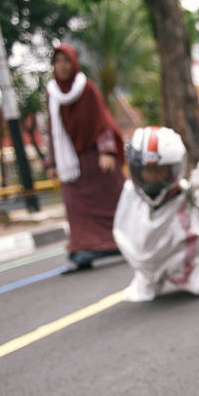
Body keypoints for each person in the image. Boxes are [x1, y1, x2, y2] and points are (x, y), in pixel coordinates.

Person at [112, 126, 199, 301]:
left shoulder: (189, 196)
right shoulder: (131, 194)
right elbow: (125, 230)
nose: (153, 178)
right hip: (146, 271)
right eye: (148, 172)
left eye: (159, 171)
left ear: (174, 169)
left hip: (185, 267)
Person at [45, 44, 126, 274]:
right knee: (76, 209)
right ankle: (82, 253)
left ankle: (128, 242)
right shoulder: (53, 95)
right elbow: (52, 131)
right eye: (57, 62)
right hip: (71, 165)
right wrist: (51, 163)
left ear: (74, 63)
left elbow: (102, 121)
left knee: (117, 204)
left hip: (96, 160)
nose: (62, 66)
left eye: (66, 61)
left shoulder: (87, 88)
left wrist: (107, 151)